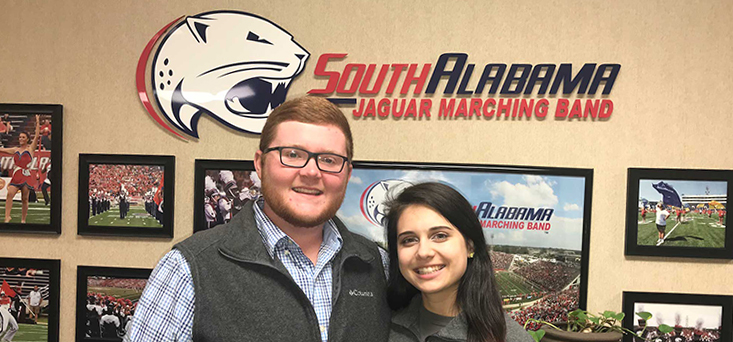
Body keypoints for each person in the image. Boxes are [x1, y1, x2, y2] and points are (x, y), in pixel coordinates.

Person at [127, 96, 390, 342]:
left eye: (329, 160)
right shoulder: (188, 268)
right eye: (293, 155)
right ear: (260, 164)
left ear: (346, 173)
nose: (311, 172)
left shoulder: (377, 264)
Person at [385, 182, 533, 342]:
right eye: (409, 240)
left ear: (470, 245)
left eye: (440, 235)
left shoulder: (511, 338)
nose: (423, 252)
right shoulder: (380, 325)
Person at [0, 115, 40, 223]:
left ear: (27, 139)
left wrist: (37, 121)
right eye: (20, 137)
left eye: (23, 137)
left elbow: (37, 136)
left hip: (26, 176)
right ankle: (7, 217)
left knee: (25, 198)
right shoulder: (15, 149)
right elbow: (2, 150)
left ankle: (23, 219)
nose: (21, 139)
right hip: (17, 175)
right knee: (9, 194)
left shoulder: (30, 149)